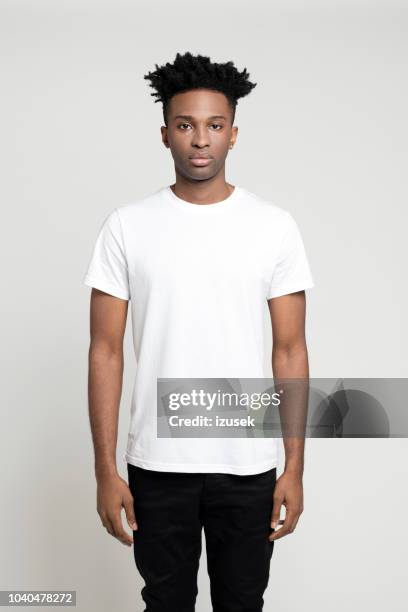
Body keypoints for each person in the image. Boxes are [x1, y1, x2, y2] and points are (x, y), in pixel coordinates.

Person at [83, 51, 315, 612]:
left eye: (214, 126)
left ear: (234, 134)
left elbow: (289, 350)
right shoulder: (127, 226)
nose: (200, 140)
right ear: (165, 134)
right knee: (166, 604)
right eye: (186, 125)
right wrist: (105, 470)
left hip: (247, 466)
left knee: (242, 604)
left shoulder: (273, 227)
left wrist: (294, 468)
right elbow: (105, 351)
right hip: (158, 467)